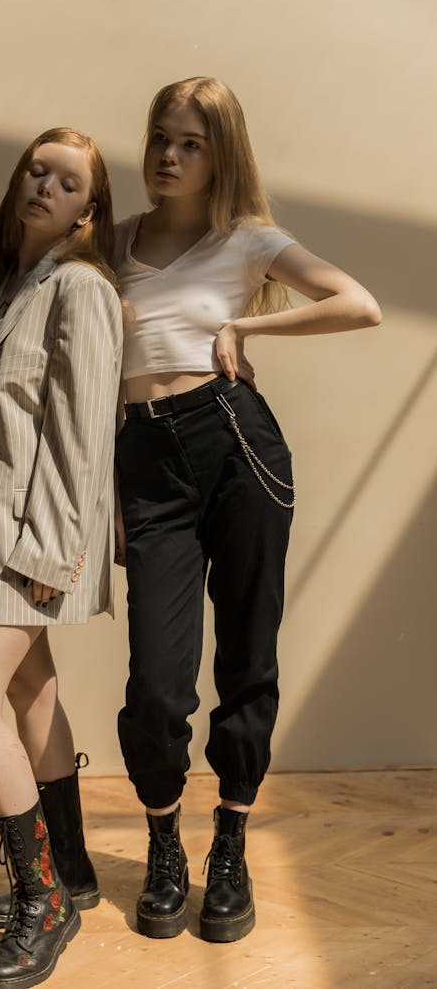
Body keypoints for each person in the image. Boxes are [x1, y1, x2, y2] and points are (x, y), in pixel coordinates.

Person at [112, 77, 381, 944]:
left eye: (191, 143)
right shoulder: (109, 245)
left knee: (247, 659)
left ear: (219, 154)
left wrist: (245, 331)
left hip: (238, 448)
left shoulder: (248, 241)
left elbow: (359, 304)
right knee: (156, 685)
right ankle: (165, 844)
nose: (168, 156)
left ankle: (228, 840)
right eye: (161, 137)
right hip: (144, 459)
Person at [0, 127, 122, 988]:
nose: (45, 185)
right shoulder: (16, 285)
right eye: (36, 171)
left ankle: (42, 900)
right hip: (1, 539)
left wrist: (50, 547)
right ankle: (72, 873)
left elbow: (81, 437)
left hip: (34, 541)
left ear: (90, 212)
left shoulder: (81, 290)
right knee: (25, 687)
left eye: (68, 180)